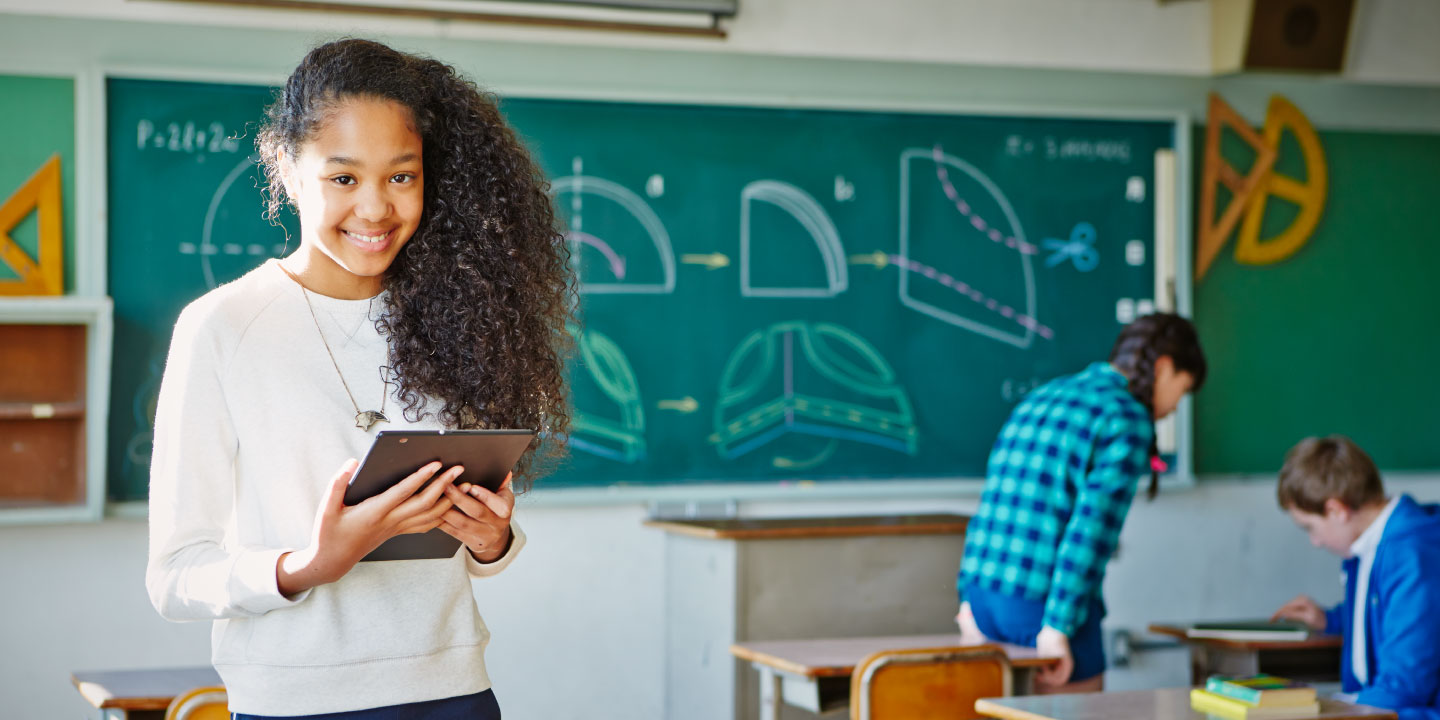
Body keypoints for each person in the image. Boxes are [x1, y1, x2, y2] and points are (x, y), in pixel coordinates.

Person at [145, 38, 572, 718]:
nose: (375, 209)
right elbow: (173, 579)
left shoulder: (462, 311)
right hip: (291, 702)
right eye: (344, 178)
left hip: (451, 692)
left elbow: (471, 541)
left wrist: (492, 541)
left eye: (402, 176)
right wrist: (311, 563)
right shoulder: (221, 327)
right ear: (286, 168)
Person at [956, 313, 1206, 692]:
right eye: (1182, 391)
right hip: (1043, 609)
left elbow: (991, 506)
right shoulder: (1126, 418)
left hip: (984, 599)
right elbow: (1089, 536)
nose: (1173, 408)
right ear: (1164, 367)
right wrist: (1058, 629)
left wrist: (966, 601)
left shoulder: (1043, 396)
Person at [1272, 436, 1440, 720]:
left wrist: (1326, 710)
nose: (1315, 541)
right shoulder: (1366, 546)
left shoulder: (1409, 554)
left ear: (1337, 510)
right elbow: (1388, 616)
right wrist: (1330, 620)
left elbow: (1405, 687)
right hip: (1378, 705)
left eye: (1310, 528)